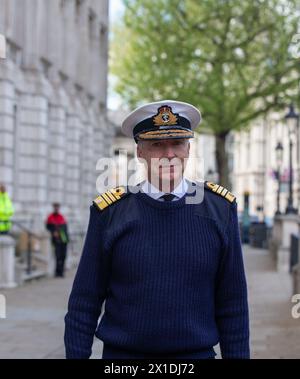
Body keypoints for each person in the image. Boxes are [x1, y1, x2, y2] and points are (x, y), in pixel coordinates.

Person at [64, 100, 250, 359]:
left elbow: (233, 305)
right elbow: (84, 303)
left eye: (177, 143)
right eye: (157, 145)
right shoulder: (110, 213)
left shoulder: (219, 210)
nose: (169, 154)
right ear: (140, 151)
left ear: (188, 149)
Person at [46, 203, 69, 278]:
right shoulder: (50, 217)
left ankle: (61, 272)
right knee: (57, 256)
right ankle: (57, 272)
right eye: (55, 207)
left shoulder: (61, 217)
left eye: (57, 207)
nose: (56, 208)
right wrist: (53, 232)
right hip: (56, 240)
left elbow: (65, 228)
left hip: (64, 240)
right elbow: (48, 227)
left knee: (63, 256)